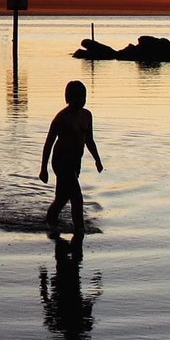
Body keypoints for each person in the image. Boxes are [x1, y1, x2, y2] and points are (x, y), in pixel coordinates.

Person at [39, 80, 103, 232]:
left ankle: (50, 220)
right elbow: (48, 144)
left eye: (83, 98)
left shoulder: (87, 115)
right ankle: (79, 231)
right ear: (68, 98)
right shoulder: (61, 118)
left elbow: (89, 140)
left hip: (75, 162)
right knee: (77, 197)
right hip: (61, 162)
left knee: (62, 199)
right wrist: (43, 169)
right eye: (77, 98)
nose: (81, 101)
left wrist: (97, 160)